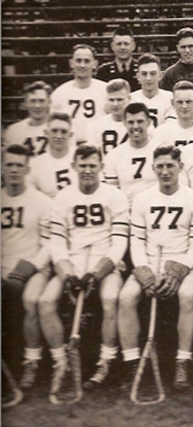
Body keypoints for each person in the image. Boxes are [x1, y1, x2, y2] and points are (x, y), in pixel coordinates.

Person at [39, 144, 130, 392]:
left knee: (111, 297)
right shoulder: (63, 197)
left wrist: (97, 273)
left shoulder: (115, 195)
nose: (88, 170)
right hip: (74, 260)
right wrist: (68, 275)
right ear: (74, 167)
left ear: (101, 167)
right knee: (46, 302)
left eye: (92, 165)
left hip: (105, 261)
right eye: (83, 165)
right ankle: (61, 362)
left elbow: (120, 241)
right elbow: (57, 242)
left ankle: (107, 359)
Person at [119, 146, 193, 390]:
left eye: (170, 166)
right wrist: (144, 272)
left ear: (179, 166)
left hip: (185, 263)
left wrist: (179, 272)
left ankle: (183, 361)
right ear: (153, 168)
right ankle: (133, 362)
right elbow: (136, 241)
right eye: (160, 166)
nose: (165, 171)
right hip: (150, 261)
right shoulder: (142, 199)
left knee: (188, 296)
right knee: (126, 297)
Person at [1, 145, 53, 390]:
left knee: (31, 300)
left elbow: (49, 244)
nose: (13, 170)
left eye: (18, 165)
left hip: (32, 267)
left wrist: (30, 267)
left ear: (27, 169)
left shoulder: (41, 202)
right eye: (9, 164)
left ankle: (31, 362)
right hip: (4, 268)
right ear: (2, 167)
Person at [50, 44, 108, 143]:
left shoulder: (105, 90)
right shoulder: (60, 93)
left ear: (95, 64)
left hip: (98, 144)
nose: (82, 65)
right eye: (78, 60)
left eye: (87, 61)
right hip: (70, 145)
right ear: (71, 63)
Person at [104, 102, 159, 201]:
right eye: (131, 122)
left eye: (140, 121)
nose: (135, 126)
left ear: (149, 122)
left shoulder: (160, 151)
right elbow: (112, 193)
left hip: (156, 208)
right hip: (127, 210)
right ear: (124, 123)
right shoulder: (114, 155)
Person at [29, 112, 76, 198]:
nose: (59, 136)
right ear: (46, 133)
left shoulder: (80, 158)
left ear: (70, 135)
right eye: (54, 131)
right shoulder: (36, 164)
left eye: (64, 132)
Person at [3, 80, 52, 156]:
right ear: (25, 103)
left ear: (49, 102)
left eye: (41, 101)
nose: (37, 106)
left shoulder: (58, 129)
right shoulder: (14, 131)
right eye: (32, 101)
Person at [85, 79, 131, 155]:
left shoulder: (139, 124)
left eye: (120, 99)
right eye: (111, 100)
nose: (115, 104)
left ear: (129, 99)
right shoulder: (95, 126)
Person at [152, 80, 193, 148]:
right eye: (180, 102)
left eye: (188, 102)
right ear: (172, 103)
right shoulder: (161, 132)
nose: (184, 106)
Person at [130, 54, 173, 127]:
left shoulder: (170, 99)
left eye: (153, 73)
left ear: (160, 75)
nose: (148, 78)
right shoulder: (130, 99)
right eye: (144, 74)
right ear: (138, 76)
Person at [96, 27, 140, 91]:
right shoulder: (103, 71)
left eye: (126, 44)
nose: (122, 47)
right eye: (119, 44)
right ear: (112, 46)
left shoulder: (141, 69)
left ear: (133, 46)